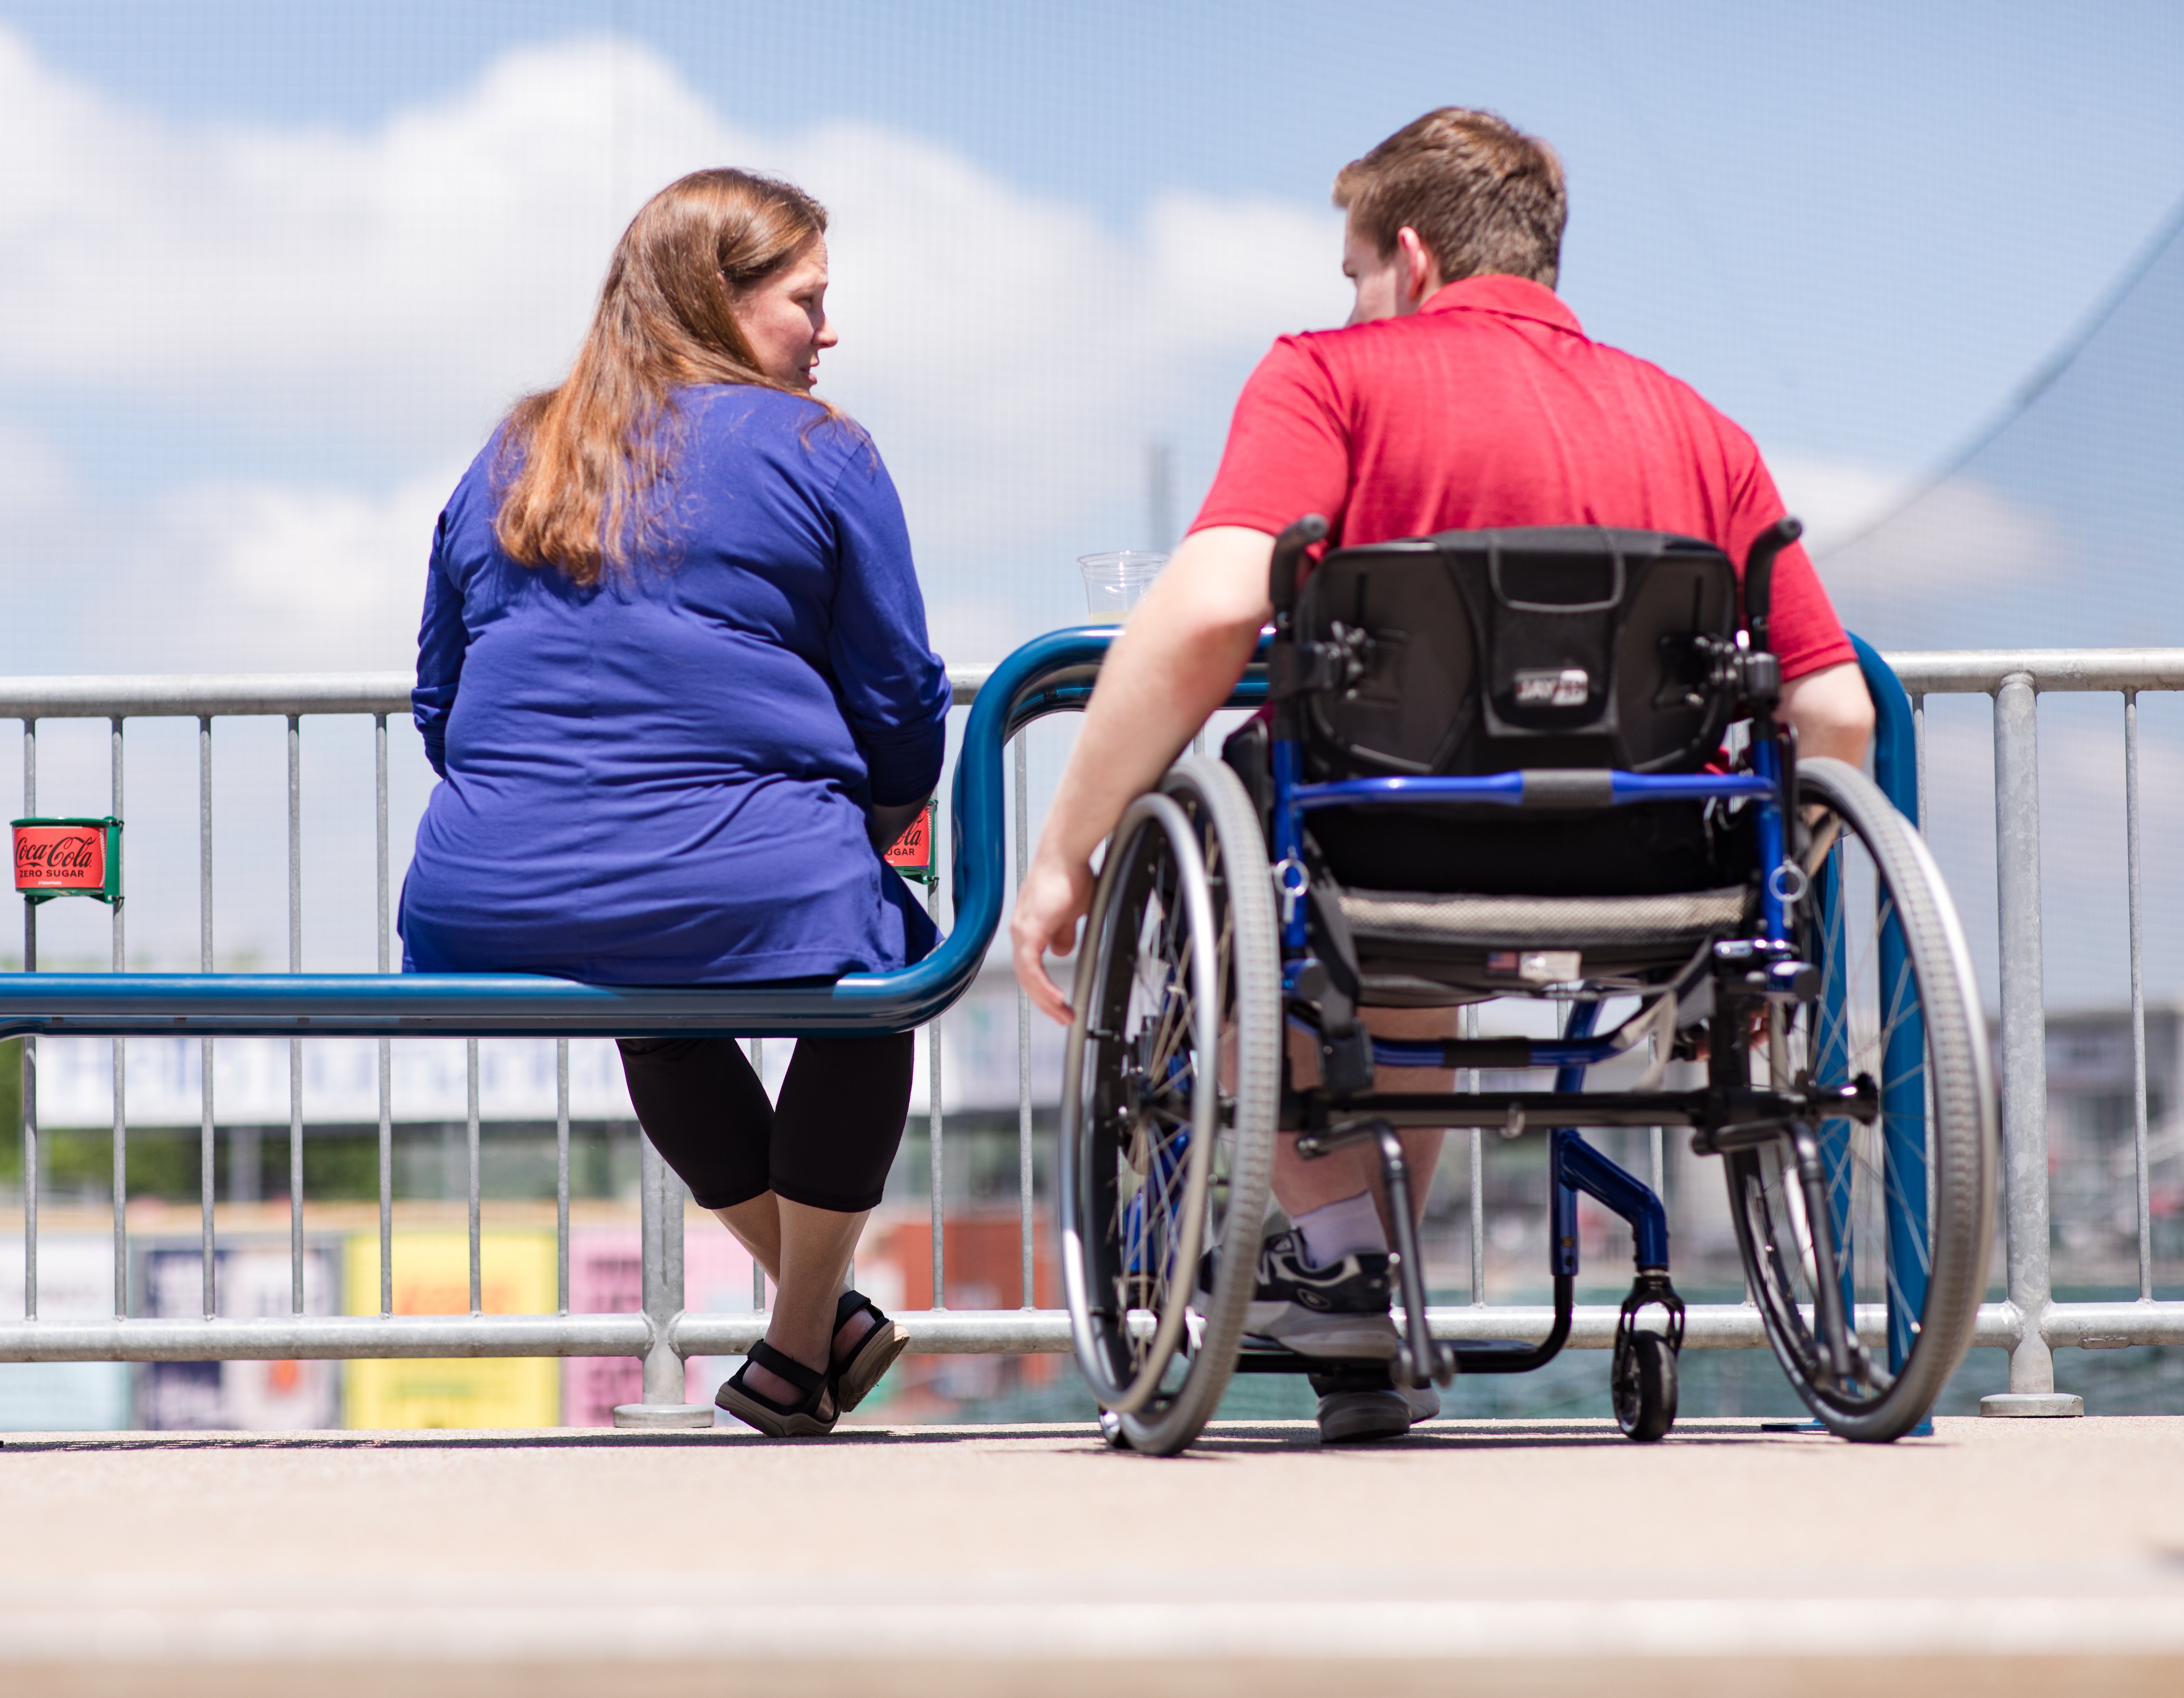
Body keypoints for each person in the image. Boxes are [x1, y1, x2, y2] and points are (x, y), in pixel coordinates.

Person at [1008, 109, 1876, 1443]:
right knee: (1350, 866)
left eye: (1353, 272)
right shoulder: (1700, 427)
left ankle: (1348, 1252)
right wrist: (1766, 936)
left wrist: (1068, 851)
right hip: (1659, 868)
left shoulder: (1331, 376)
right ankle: (1364, 1261)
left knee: (1257, 815)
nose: (1349, 302)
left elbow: (1200, 616)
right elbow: (1835, 711)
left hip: (1384, 849)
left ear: (1408, 258)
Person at [401, 169, 951, 1437]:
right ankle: (804, 1339)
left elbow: (441, 700)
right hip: (743, 871)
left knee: (657, 997)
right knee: (882, 973)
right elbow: (898, 699)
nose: (828, 332)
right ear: (721, 298)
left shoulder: (516, 447)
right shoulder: (822, 447)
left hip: (488, 896)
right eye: (807, 300)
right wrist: (866, 824)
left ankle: (815, 1335)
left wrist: (545, 814)